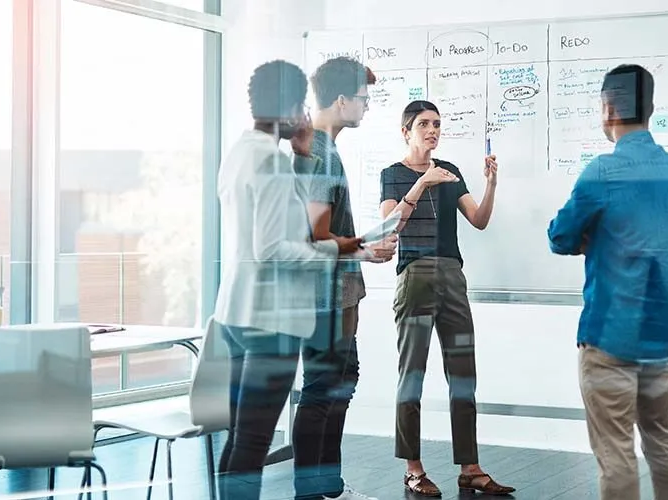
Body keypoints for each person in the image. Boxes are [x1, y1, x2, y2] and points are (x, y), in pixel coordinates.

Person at [212, 59, 364, 500]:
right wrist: (342, 248)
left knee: (241, 440)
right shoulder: (272, 166)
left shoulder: (240, 153)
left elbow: (268, 232)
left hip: (235, 314)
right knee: (254, 443)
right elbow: (276, 249)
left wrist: (300, 156)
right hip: (270, 322)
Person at [547, 64, 668, 500]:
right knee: (663, 439)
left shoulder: (603, 173)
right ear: (649, 109)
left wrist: (593, 236)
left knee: (616, 454)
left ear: (608, 108)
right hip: (661, 338)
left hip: (610, 335)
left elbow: (560, 235)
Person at [378, 100, 514, 497]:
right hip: (415, 277)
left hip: (452, 278)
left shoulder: (451, 172)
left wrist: (490, 184)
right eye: (424, 124)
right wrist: (422, 183)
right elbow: (391, 225)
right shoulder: (393, 174)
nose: (432, 130)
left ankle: (470, 467)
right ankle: (413, 468)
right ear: (407, 131)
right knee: (412, 376)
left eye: (437, 124)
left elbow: (480, 219)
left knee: (463, 374)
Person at [289, 56, 395, 500]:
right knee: (321, 391)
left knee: (341, 381)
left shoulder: (323, 149)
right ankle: (310, 494)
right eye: (363, 99)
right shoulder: (315, 154)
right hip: (320, 298)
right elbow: (309, 240)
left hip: (336, 295)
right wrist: (366, 249)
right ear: (340, 100)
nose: (367, 107)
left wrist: (362, 243)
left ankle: (329, 489)